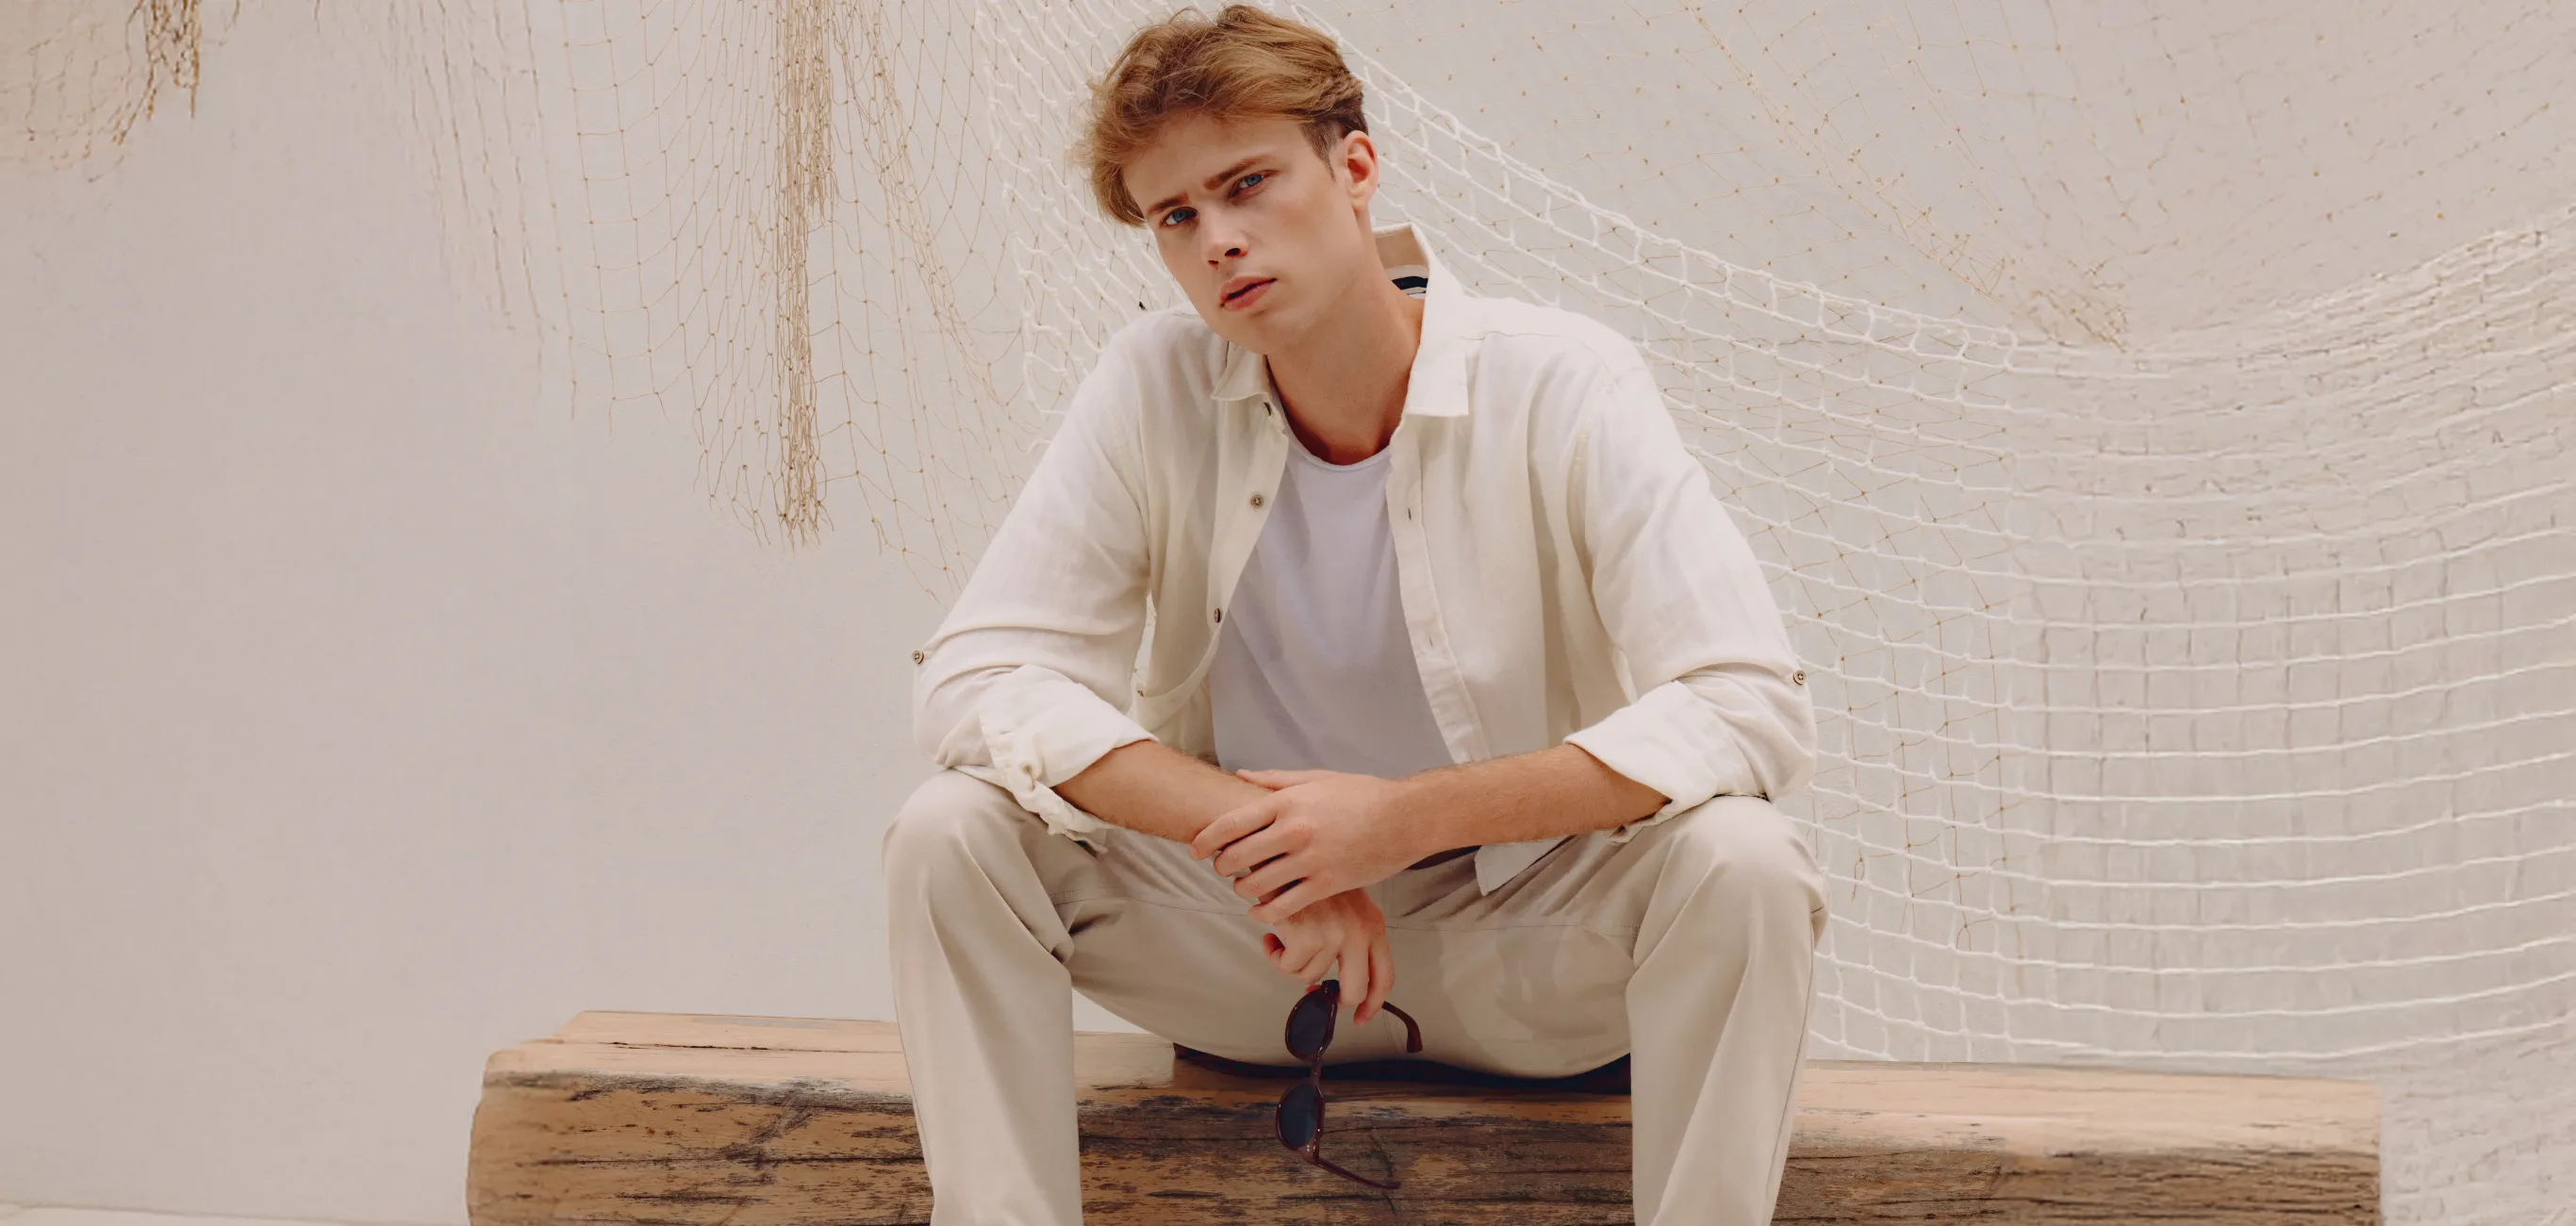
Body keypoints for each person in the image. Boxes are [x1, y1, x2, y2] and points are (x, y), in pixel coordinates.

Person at [882, 6, 1828, 1223]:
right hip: (1264, 951)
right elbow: (976, 683)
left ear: (1356, 167)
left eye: (1247, 184)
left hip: (1535, 957)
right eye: (1176, 217)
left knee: (1746, 862)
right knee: (952, 832)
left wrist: (1397, 823)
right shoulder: (1153, 384)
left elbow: (1747, 710)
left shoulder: (1562, 379)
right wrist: (1264, 843)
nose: (1219, 240)